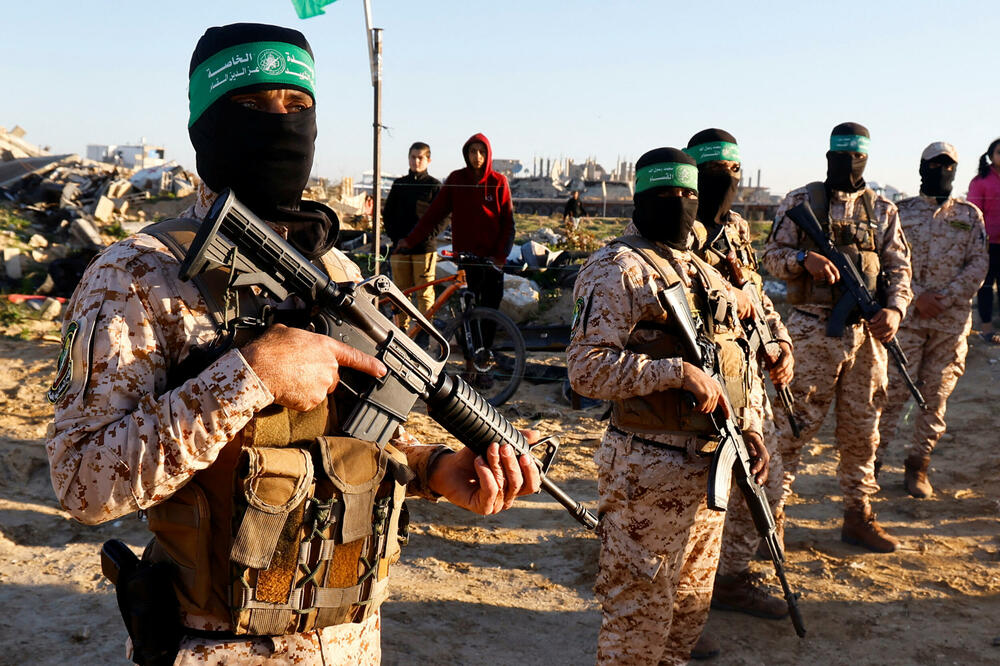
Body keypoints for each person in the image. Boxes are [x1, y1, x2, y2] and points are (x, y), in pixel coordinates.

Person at [45, 23, 540, 665]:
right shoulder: (137, 274)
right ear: (205, 125)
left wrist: (433, 469)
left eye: (297, 103)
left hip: (349, 641)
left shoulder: (337, 270)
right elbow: (81, 482)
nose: (281, 121)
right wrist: (248, 376)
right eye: (252, 105)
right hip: (216, 646)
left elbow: (356, 439)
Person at [567, 147, 768, 665]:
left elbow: (734, 357)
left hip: (708, 468)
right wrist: (674, 373)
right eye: (664, 194)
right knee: (637, 622)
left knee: (686, 616)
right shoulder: (617, 268)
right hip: (646, 472)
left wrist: (748, 426)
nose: (678, 203)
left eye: (687, 194)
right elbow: (586, 368)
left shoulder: (702, 269)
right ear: (640, 199)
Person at [762, 122, 913, 553]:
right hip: (812, 330)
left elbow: (899, 269)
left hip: (867, 335)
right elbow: (770, 257)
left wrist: (895, 311)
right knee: (791, 427)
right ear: (829, 156)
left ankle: (857, 516)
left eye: (857, 156)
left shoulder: (883, 209)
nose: (849, 164)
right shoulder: (801, 202)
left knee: (863, 431)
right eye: (842, 156)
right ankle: (773, 520)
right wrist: (801, 258)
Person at [683, 129, 794, 622]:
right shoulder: (674, 232)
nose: (727, 180)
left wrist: (780, 342)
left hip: (747, 383)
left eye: (734, 169)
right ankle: (682, 611)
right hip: (698, 386)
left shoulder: (737, 228)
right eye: (715, 171)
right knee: (693, 508)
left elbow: (758, 296)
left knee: (764, 487)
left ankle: (728, 580)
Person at [877, 142, 988, 498]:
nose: (942, 171)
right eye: (935, 165)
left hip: (950, 324)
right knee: (890, 394)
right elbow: (886, 262)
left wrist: (947, 297)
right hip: (906, 321)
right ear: (922, 168)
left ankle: (918, 466)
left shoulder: (969, 215)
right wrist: (918, 296)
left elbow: (979, 263)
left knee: (935, 397)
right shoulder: (900, 212)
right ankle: (871, 465)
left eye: (948, 165)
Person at [395, 133, 515, 325]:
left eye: (482, 152)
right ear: (466, 154)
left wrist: (500, 256)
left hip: (492, 261)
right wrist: (410, 240)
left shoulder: (498, 182)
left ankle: (486, 345)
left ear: (488, 154)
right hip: (467, 259)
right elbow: (433, 215)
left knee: (491, 310)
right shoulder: (456, 179)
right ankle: (468, 344)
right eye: (473, 151)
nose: (477, 156)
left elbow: (508, 224)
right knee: (468, 311)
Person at [384, 142, 442, 327]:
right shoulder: (399, 184)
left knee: (425, 293)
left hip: (424, 249)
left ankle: (425, 331)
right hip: (400, 248)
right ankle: (402, 330)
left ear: (428, 160)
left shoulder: (434, 186)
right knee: (400, 293)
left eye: (420, 158)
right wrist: (397, 239)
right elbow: (388, 214)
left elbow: (442, 218)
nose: (416, 161)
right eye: (413, 157)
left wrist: (424, 238)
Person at [967, 138, 1000, 345]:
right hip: (987, 245)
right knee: (986, 286)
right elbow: (973, 215)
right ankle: (986, 329)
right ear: (991, 155)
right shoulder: (980, 181)